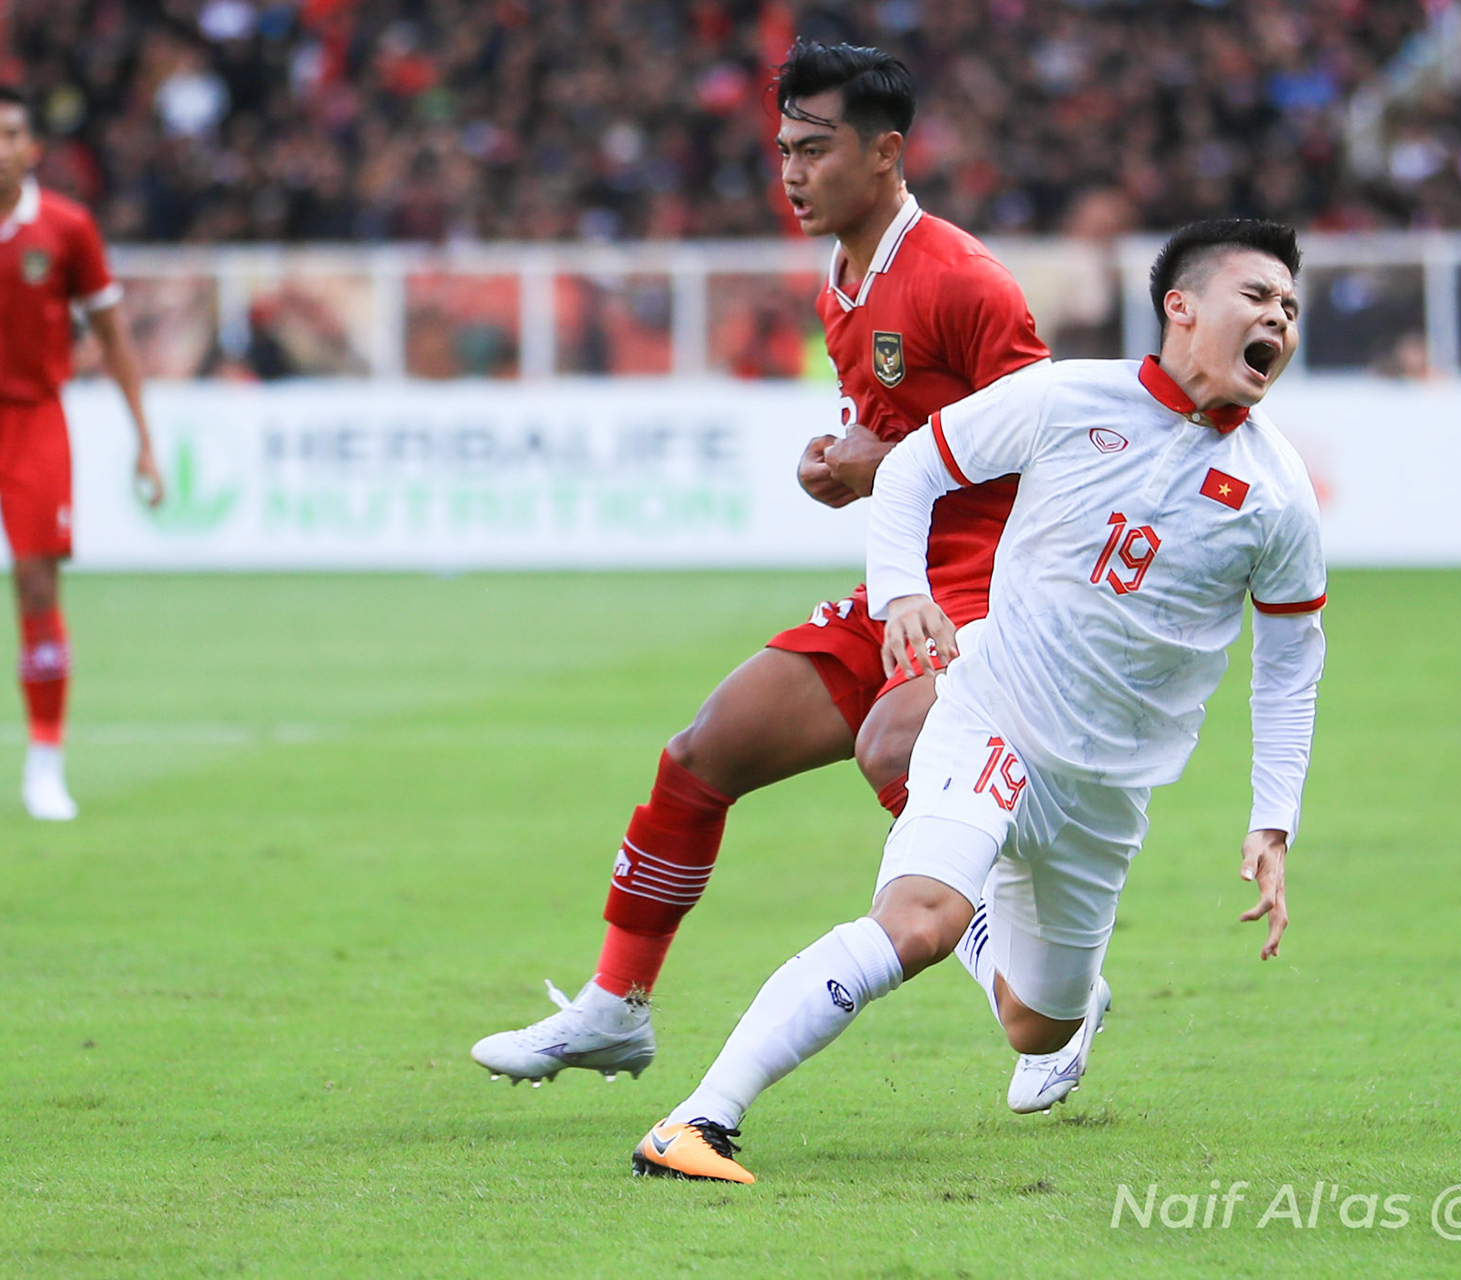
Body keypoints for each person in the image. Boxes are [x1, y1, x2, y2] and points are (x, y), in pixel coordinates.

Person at [631, 219, 1327, 1183]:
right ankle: (698, 1122)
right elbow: (915, 465)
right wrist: (901, 593)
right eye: (1257, 297)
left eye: (1289, 306)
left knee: (1035, 1024)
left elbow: (1290, 662)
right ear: (1182, 306)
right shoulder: (1067, 397)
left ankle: (1036, 958)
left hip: (1106, 795)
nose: (1279, 319)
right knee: (919, 922)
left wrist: (1273, 820)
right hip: (994, 715)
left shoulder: (1279, 492)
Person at [470, 42, 1048, 1083]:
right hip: (899, 588)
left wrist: (887, 462)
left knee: (895, 749)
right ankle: (615, 1006)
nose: (791, 172)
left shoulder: (965, 281)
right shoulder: (841, 284)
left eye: (814, 150)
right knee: (703, 753)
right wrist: (846, 466)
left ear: (885, 153)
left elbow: (1055, 443)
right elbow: (899, 444)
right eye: (783, 149)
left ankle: (1039, 983)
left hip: (987, 591)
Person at [0, 86, 163, 821]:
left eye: (11, 135)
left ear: (33, 149)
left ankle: (45, 763)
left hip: (33, 421)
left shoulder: (66, 227)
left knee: (36, 587)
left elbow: (113, 336)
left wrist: (144, 441)